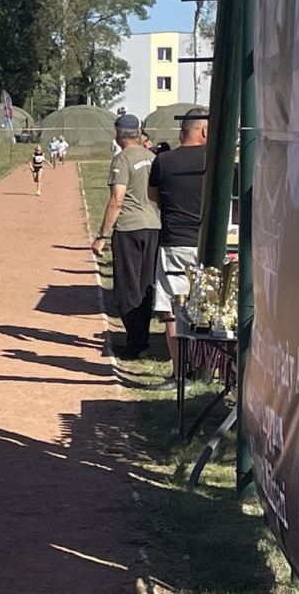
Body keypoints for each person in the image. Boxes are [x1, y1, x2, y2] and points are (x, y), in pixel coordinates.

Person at [92, 114, 162, 360]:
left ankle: (135, 341)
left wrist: (102, 235)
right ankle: (141, 338)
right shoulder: (153, 158)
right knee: (146, 285)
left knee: (126, 287)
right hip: (154, 226)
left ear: (117, 134)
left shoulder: (122, 159)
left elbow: (117, 200)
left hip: (129, 228)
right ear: (139, 132)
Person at [148, 107, 209, 387]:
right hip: (209, 241)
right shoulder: (215, 160)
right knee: (209, 308)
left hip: (174, 241)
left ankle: (179, 372)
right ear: (205, 131)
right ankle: (206, 367)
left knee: (172, 309)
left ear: (182, 131)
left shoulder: (163, 161)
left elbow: (154, 196)